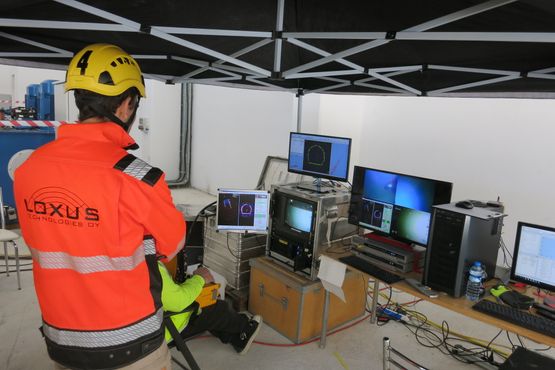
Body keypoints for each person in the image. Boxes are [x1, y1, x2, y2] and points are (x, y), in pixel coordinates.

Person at [14, 44, 186, 370]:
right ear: (126, 105)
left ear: (80, 100)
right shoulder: (138, 178)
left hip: (64, 342)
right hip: (132, 347)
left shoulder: (28, 169)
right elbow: (173, 244)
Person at [159, 262, 262, 355]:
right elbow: (178, 301)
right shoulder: (151, 268)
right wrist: (200, 278)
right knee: (215, 308)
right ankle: (245, 328)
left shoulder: (144, 264)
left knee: (206, 307)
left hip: (147, 332)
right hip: (162, 333)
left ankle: (235, 338)